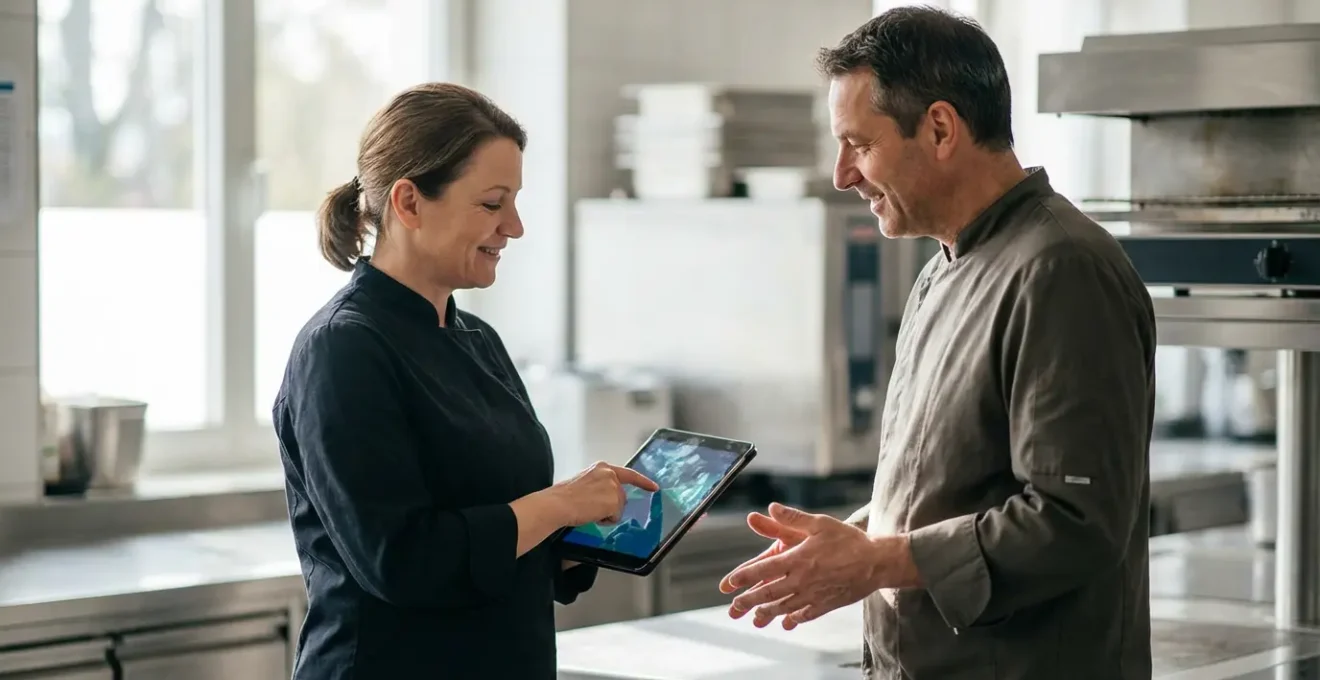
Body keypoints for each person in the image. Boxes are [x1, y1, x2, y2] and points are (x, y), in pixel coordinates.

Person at [719, 7, 1156, 679]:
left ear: (941, 129)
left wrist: (878, 562)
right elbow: (949, 482)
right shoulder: (939, 271)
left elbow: (1075, 521)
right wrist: (852, 542)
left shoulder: (1061, 268)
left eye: (858, 145)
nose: (842, 175)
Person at [272, 82, 658, 680]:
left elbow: (501, 538)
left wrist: (589, 525)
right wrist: (559, 503)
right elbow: (401, 561)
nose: (515, 227)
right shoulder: (342, 348)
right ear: (409, 203)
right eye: (491, 204)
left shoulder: (479, 339)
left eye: (514, 202)